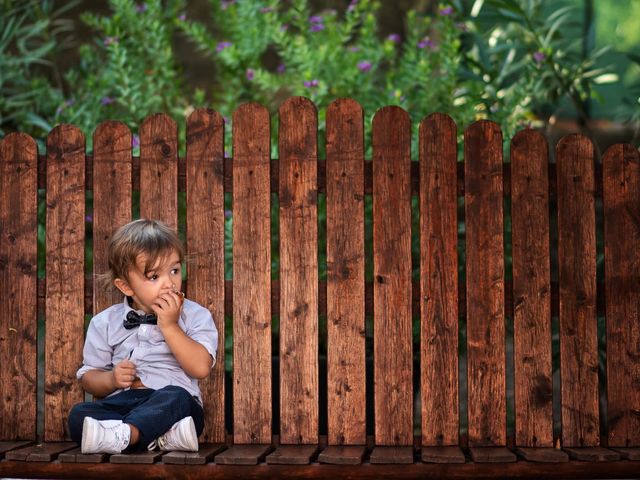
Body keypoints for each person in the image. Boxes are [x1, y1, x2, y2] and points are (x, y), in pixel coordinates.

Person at [68, 218, 218, 454]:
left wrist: (170, 326)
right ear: (126, 287)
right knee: (79, 415)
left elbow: (200, 368)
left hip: (172, 404)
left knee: (177, 397)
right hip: (123, 404)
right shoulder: (104, 322)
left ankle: (130, 436)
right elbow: (89, 379)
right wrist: (111, 380)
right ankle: (161, 437)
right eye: (154, 276)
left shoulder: (195, 315)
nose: (170, 283)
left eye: (175, 270)